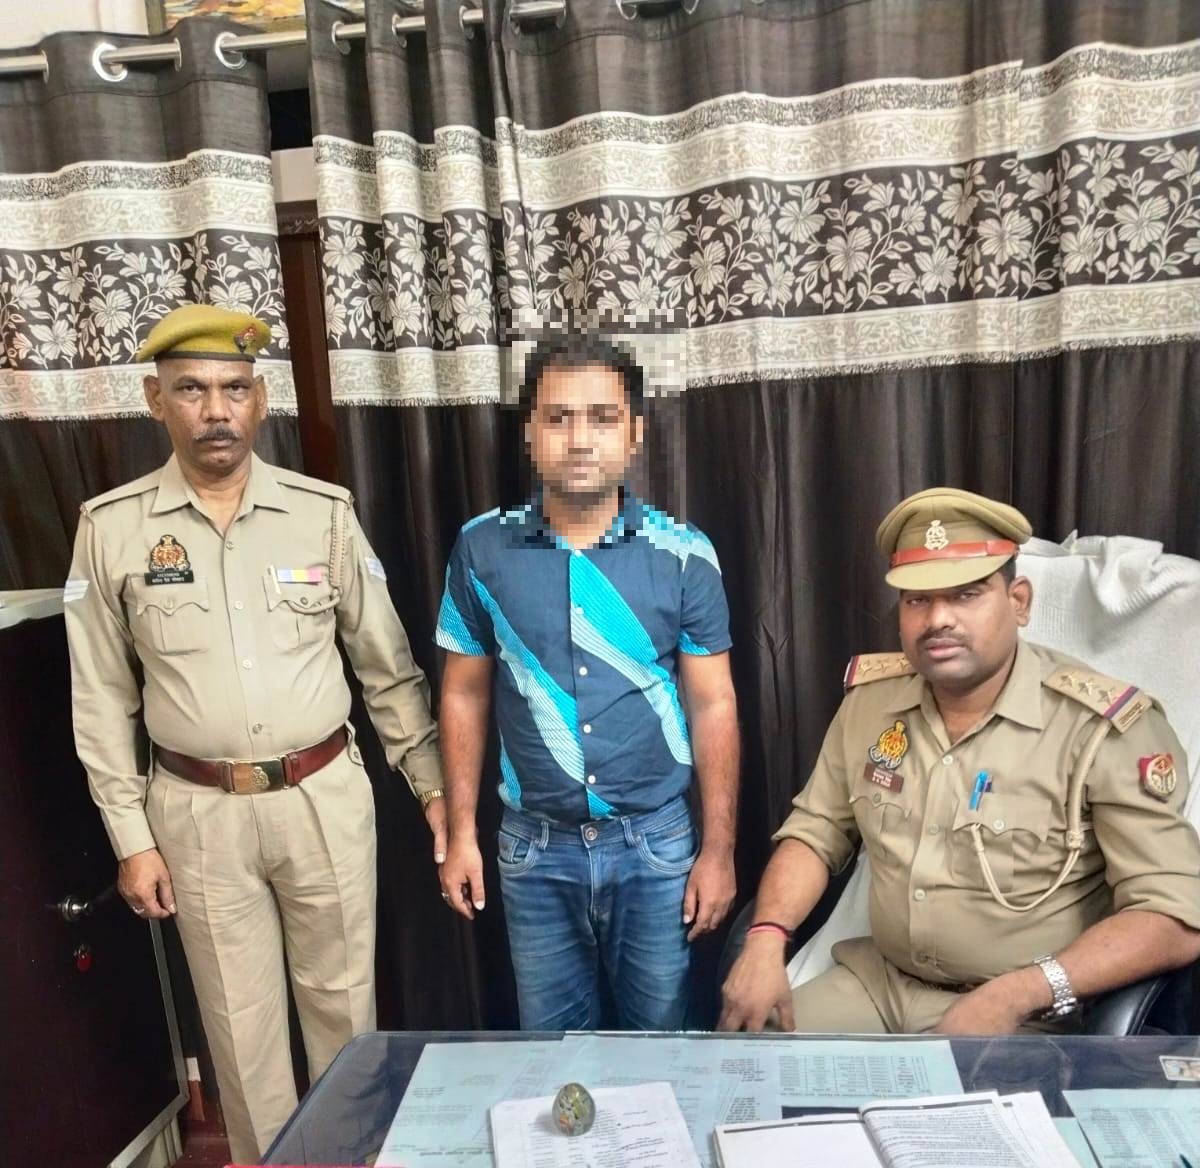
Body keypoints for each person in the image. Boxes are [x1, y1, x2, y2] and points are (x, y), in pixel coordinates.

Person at [64, 305, 446, 1163]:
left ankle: (348, 1157)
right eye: (191, 390)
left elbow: (388, 670)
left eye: (234, 389)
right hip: (197, 814)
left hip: (322, 797)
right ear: (155, 400)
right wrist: (131, 839)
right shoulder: (112, 528)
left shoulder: (322, 514)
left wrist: (431, 789)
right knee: (239, 1031)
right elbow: (100, 700)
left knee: (345, 1009)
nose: (216, 411)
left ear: (260, 399)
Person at [719, 487, 1200, 1035]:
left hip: (1024, 1011)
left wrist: (1021, 993)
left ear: (1019, 601)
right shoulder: (871, 704)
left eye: (966, 595)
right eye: (917, 600)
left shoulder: (1100, 730)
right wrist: (765, 940)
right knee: (746, 1060)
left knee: (944, 1099)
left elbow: (1175, 915)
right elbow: (815, 832)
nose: (938, 619)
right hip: (877, 984)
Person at [435, 334, 740, 1030]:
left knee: (660, 1046)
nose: (579, 439)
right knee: (553, 1054)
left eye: (602, 418)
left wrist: (719, 852)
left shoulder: (683, 553)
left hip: (655, 847)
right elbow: (463, 692)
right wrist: (461, 834)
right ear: (529, 432)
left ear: (634, 434)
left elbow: (714, 704)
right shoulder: (480, 548)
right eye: (558, 418)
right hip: (534, 850)